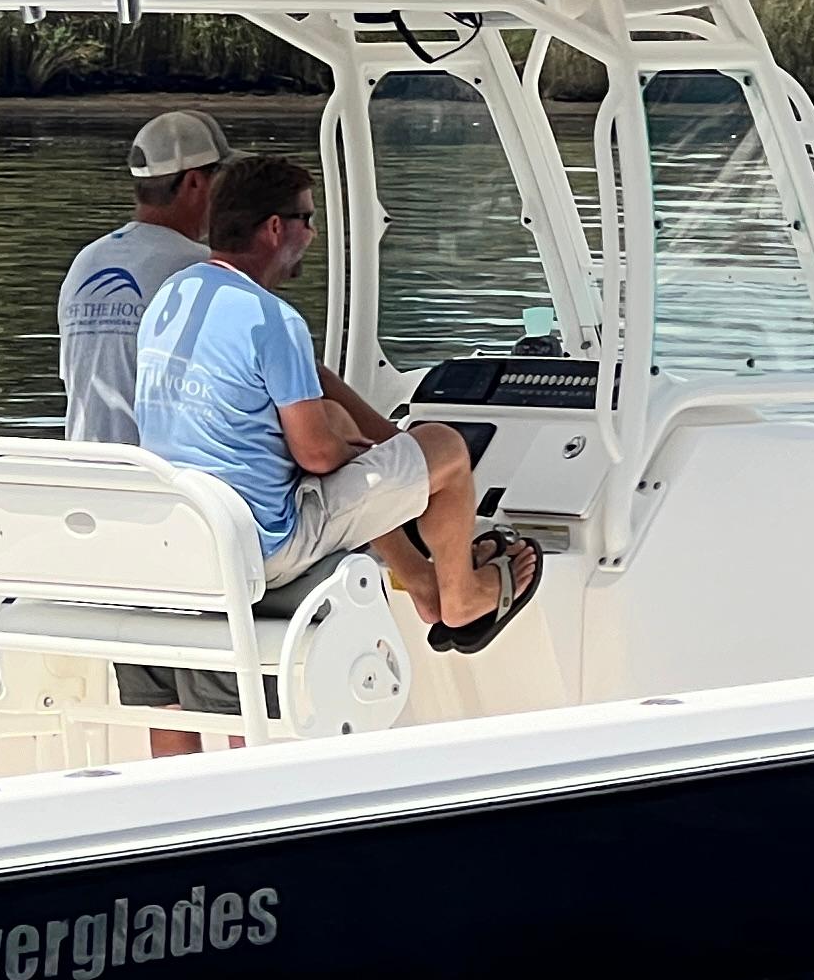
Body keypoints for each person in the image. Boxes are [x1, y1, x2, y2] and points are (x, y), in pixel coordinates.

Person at [133, 152, 541, 658]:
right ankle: (463, 596)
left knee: (334, 423)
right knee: (446, 447)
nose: (314, 234)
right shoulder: (271, 319)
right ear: (276, 228)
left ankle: (420, 582)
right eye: (308, 219)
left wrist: (369, 443)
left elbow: (302, 401)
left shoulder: (172, 297)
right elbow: (319, 457)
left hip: (188, 528)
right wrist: (371, 450)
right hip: (262, 545)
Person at [57, 109, 227, 447]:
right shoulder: (201, 269)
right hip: (157, 479)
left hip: (82, 469)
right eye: (222, 178)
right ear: (195, 182)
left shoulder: (87, 260)